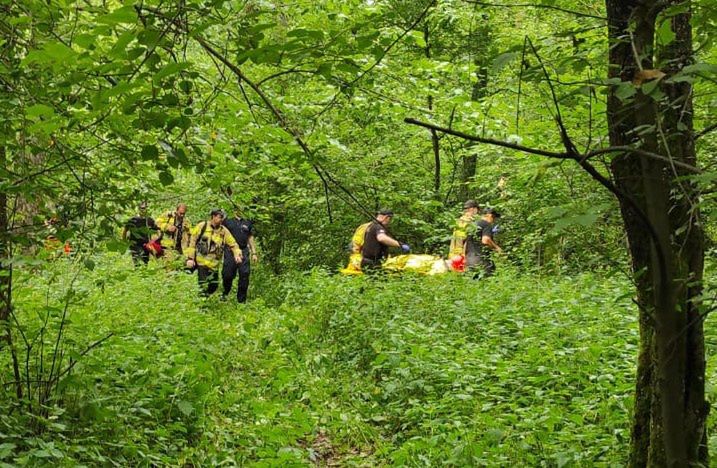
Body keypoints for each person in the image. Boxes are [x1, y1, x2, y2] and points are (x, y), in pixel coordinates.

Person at [185, 209, 242, 296]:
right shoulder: (202, 226)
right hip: (201, 262)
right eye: (220, 217)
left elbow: (233, 244)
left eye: (223, 217)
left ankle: (205, 299)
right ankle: (201, 305)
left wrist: (237, 254)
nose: (221, 219)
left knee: (214, 286)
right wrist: (190, 258)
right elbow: (192, 242)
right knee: (203, 285)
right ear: (213, 217)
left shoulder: (223, 231)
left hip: (214, 265)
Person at [221, 208, 258, 303]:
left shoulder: (247, 223)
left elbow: (250, 237)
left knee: (244, 274)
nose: (240, 210)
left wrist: (254, 253)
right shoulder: (228, 222)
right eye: (238, 208)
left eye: (242, 208)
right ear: (235, 210)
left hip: (244, 251)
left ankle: (241, 301)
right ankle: (225, 292)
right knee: (227, 275)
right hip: (230, 251)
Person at [467, 207, 503, 277]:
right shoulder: (486, 224)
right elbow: (485, 240)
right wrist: (497, 248)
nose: (493, 221)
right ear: (489, 215)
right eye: (494, 218)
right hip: (482, 261)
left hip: (469, 260)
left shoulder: (472, 225)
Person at [122, 202, 159, 266]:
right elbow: (125, 230)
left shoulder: (150, 220)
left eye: (145, 208)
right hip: (135, 244)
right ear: (139, 209)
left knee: (145, 263)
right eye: (142, 208)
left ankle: (144, 275)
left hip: (146, 245)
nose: (143, 210)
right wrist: (124, 242)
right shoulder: (133, 220)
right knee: (137, 263)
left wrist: (155, 242)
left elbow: (156, 231)